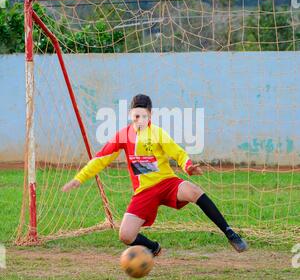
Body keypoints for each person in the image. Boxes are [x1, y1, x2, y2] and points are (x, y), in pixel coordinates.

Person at [62, 94, 248, 256]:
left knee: (193, 191)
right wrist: (79, 178)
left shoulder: (158, 134)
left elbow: (177, 153)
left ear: (150, 115)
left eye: (144, 115)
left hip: (167, 183)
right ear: (130, 115)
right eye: (136, 115)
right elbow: (101, 159)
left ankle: (230, 233)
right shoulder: (123, 136)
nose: (139, 119)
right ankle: (153, 248)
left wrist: (188, 166)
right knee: (125, 236)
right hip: (144, 191)